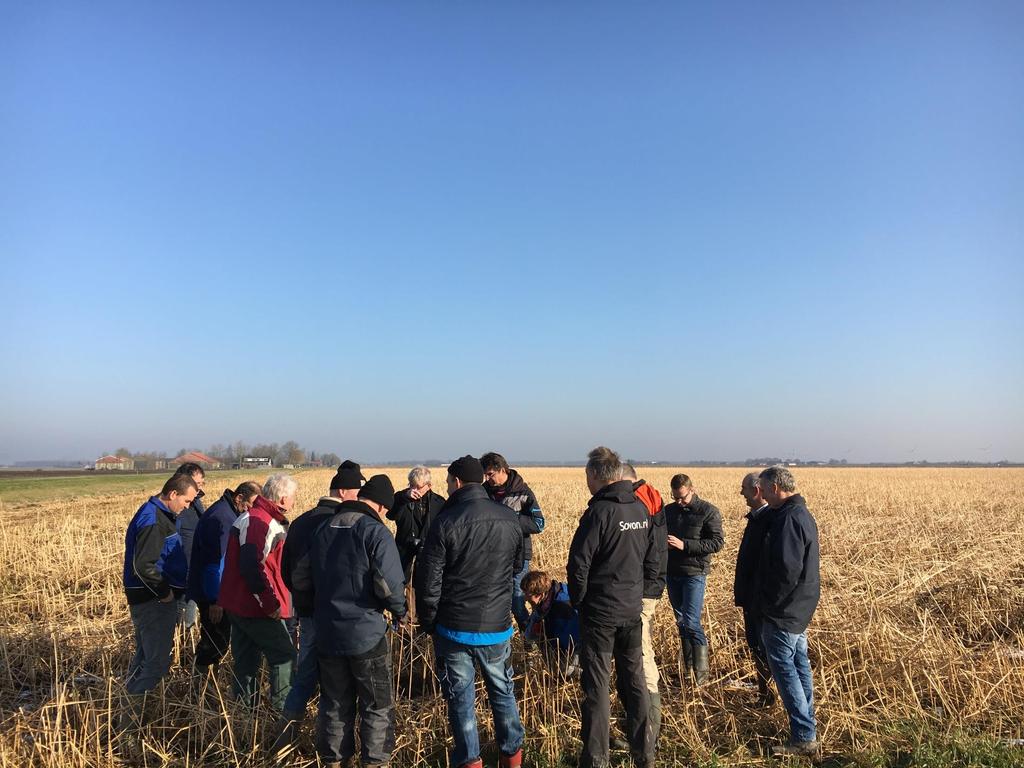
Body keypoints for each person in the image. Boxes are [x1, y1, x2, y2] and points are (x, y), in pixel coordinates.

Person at [415, 455, 526, 768]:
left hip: (454, 629)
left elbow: (429, 582)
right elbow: (516, 566)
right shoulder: (508, 518)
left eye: (449, 481)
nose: (448, 486)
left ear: (458, 482)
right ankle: (511, 757)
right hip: (496, 626)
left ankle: (469, 760)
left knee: (461, 700)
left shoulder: (446, 522)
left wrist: (428, 622)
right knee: (503, 692)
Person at [291, 474, 407, 768]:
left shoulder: (321, 529)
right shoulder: (375, 532)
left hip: (328, 635)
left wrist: (319, 605)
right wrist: (400, 611)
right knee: (376, 705)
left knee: (334, 704)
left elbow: (300, 578)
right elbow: (390, 586)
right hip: (366, 636)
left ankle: (333, 761)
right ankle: (374, 762)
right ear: (381, 507)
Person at [567, 447, 658, 768]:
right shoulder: (639, 509)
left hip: (601, 615)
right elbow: (650, 559)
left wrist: (579, 602)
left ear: (595, 476)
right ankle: (644, 754)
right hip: (631, 611)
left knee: (597, 687)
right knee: (634, 683)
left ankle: (596, 758)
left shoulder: (599, 513)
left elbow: (578, 564)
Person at [278, 461, 365, 740]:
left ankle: (286, 736)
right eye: (356, 493)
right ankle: (329, 742)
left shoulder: (301, 521)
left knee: (306, 673)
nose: (359, 499)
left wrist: (302, 600)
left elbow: (286, 569)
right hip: (334, 614)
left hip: (306, 610)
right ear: (342, 491)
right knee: (336, 680)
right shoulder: (339, 523)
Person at [120, 473, 198, 726]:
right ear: (173, 494)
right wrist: (164, 593)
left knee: (144, 659)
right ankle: (128, 728)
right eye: (187, 501)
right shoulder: (153, 520)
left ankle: (126, 712)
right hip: (153, 602)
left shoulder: (159, 514)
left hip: (151, 600)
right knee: (156, 664)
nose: (188, 507)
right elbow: (144, 565)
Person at [218, 473, 297, 714]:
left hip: (238, 604)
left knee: (246, 661)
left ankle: (244, 717)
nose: (295, 501)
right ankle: (283, 713)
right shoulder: (260, 522)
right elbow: (252, 566)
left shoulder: (251, 517)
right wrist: (270, 604)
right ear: (283, 498)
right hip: (254, 607)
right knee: (284, 655)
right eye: (294, 497)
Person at [756, 466, 821, 757]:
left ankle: (804, 737)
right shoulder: (800, 514)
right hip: (800, 608)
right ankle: (807, 728)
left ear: (776, 487)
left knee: (786, 671)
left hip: (785, 610)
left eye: (764, 489)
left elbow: (786, 570)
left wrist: (768, 603)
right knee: (799, 665)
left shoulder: (790, 519)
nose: (762, 494)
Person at [185, 480, 262, 671]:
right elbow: (215, 563)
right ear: (239, 498)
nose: (251, 510)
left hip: (216, 591)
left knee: (217, 641)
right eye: (250, 504)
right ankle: (200, 685)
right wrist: (216, 600)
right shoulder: (222, 519)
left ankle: (207, 683)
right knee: (215, 643)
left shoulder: (226, 512)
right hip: (212, 594)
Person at [621, 463, 667, 745]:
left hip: (640, 590)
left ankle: (648, 734)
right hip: (648, 586)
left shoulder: (638, 502)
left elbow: (642, 551)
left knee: (641, 656)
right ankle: (643, 730)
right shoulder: (652, 498)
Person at [664, 473, 724, 684]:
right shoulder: (668, 511)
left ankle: (701, 676)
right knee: (681, 622)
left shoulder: (708, 511)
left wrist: (685, 545)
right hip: (672, 573)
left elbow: (716, 543)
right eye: (675, 498)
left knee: (691, 622)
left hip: (694, 573)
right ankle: (688, 670)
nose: (679, 502)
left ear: (692, 490)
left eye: (683, 497)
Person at [480, 452, 544, 630]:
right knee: (497, 601)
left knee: (517, 601)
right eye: (485, 475)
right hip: (492, 556)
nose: (488, 478)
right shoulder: (483, 492)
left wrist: (509, 518)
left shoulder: (523, 492)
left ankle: (529, 637)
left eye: (491, 474)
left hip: (519, 555)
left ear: (502, 470)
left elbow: (539, 524)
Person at [733, 472, 774, 707]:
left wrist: (756, 598)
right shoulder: (758, 518)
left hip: (760, 601)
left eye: (744, 489)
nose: (742, 493)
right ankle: (764, 693)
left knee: (763, 648)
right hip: (752, 599)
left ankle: (768, 696)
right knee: (757, 647)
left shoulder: (768, 521)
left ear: (757, 491)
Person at [386, 465, 445, 622]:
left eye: (418, 487)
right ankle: (406, 633)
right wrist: (405, 497)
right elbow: (391, 514)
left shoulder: (439, 503)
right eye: (411, 485)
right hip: (405, 561)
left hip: (428, 561)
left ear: (429, 486)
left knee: (427, 598)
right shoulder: (401, 500)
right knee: (407, 602)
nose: (415, 490)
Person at [521, 570, 580, 677]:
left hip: (578, 646)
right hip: (565, 641)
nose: (525, 598)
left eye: (528, 595)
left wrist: (545, 633)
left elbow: (571, 642)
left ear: (541, 594)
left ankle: (582, 673)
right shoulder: (545, 603)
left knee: (563, 671)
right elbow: (529, 636)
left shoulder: (561, 606)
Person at [174, 462, 207, 628]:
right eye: (197, 484)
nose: (199, 488)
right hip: (182, 577)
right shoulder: (176, 507)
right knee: (182, 621)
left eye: (202, 483)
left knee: (190, 618)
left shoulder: (196, 502)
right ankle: (181, 650)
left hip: (194, 574)